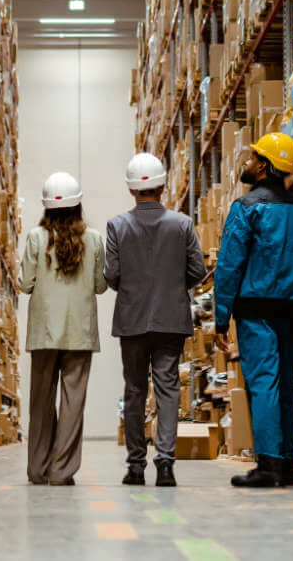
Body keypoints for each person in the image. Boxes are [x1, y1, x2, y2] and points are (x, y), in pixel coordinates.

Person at [213, 132, 293, 489]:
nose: (247, 162)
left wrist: (221, 317)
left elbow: (229, 265)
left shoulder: (247, 208)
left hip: (257, 312)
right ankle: (285, 464)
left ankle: (268, 465)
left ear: (263, 166)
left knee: (263, 384)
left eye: (252, 157)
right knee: (285, 387)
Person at [103, 152, 205, 488]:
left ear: (132, 189)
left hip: (132, 319)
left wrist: (134, 288)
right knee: (168, 389)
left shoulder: (117, 226)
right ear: (162, 185)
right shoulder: (182, 224)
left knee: (134, 389)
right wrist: (173, 287)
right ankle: (165, 464)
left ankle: (135, 467)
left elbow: (113, 275)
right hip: (171, 318)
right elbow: (198, 271)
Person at [18, 171, 107, 485]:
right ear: (78, 206)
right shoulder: (94, 239)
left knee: (40, 404)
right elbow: (100, 286)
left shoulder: (35, 238)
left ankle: (37, 470)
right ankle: (62, 471)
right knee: (73, 403)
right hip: (79, 333)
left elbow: (25, 284)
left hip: (43, 332)